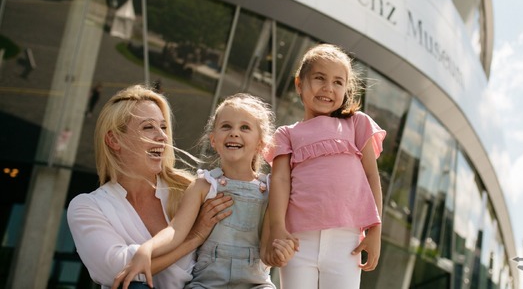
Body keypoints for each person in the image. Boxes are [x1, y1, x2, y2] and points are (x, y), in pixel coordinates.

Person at [113, 93, 297, 289]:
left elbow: (268, 249)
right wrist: (146, 250)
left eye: (245, 127)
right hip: (206, 284)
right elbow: (176, 230)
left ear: (261, 143)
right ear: (213, 140)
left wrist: (279, 254)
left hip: (255, 283)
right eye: (226, 126)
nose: (234, 133)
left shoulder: (269, 190)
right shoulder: (204, 185)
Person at [67, 84, 233, 289]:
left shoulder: (193, 192)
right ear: (114, 140)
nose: (162, 136)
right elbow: (117, 271)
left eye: (163, 127)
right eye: (148, 127)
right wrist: (193, 239)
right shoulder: (89, 206)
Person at [266, 43, 386, 289]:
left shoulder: (356, 124)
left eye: (338, 82)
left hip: (347, 243)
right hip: (298, 241)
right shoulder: (286, 134)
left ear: (346, 89)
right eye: (319, 78)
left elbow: (372, 177)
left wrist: (375, 230)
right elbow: (279, 181)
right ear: (299, 84)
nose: (328, 88)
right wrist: (277, 227)